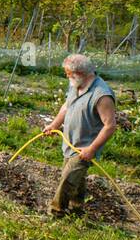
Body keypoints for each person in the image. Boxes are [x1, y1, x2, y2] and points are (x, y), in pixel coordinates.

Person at [42, 54, 117, 217]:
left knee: (68, 178)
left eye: (69, 73)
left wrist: (92, 149)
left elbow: (110, 126)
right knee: (77, 177)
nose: (67, 76)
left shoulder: (101, 95)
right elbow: (66, 106)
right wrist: (54, 125)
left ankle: (56, 212)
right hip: (70, 142)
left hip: (85, 147)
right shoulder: (76, 84)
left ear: (81, 73)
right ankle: (77, 209)